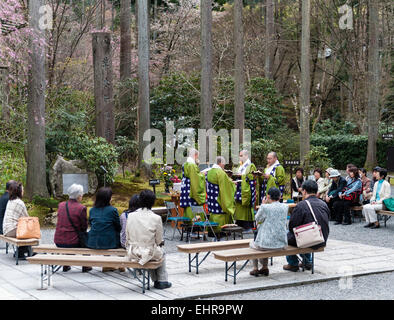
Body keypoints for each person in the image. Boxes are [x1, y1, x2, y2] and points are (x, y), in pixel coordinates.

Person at [126, 189, 172, 290]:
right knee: (158, 251)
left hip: (133, 251)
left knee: (149, 251)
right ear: (153, 202)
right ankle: (162, 280)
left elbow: (127, 236)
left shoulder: (130, 216)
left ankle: (156, 280)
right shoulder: (156, 218)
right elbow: (159, 240)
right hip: (147, 252)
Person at [283, 180, 329, 272]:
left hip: (311, 239)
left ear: (304, 191)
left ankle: (293, 263)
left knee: (286, 235)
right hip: (321, 238)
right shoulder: (323, 204)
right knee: (304, 234)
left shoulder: (301, 205)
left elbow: (292, 226)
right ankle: (307, 261)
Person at [249, 188, 287, 277]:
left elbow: (257, 218)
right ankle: (264, 267)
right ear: (280, 196)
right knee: (263, 242)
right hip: (281, 244)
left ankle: (255, 268)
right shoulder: (285, 207)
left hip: (266, 244)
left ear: (268, 196)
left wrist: (263, 204)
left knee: (253, 243)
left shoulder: (265, 207)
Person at [54, 184, 91, 273]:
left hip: (58, 240)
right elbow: (84, 227)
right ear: (78, 196)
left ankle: (66, 265)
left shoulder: (61, 205)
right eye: (82, 194)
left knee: (70, 237)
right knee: (84, 240)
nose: (82, 196)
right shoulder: (81, 208)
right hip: (72, 242)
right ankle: (86, 265)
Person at [87, 187, 122, 271]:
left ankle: (108, 265)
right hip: (109, 242)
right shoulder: (113, 210)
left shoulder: (92, 210)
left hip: (93, 241)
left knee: (104, 231)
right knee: (116, 235)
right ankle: (118, 265)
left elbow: (91, 224)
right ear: (108, 198)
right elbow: (118, 226)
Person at [206, 156, 236, 234]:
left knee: (213, 212)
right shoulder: (220, 172)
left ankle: (212, 230)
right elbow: (225, 187)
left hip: (212, 197)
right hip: (219, 198)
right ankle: (221, 231)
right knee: (220, 213)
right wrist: (232, 185)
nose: (224, 165)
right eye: (224, 163)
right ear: (220, 163)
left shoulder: (210, 171)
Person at [2, 181, 30, 259]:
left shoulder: (11, 201)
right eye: (22, 190)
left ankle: (22, 251)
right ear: (19, 191)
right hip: (11, 230)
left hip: (6, 229)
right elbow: (27, 219)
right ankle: (23, 252)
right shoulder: (19, 203)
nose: (23, 191)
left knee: (24, 229)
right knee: (29, 230)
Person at [180, 148, 206, 221]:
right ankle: (195, 225)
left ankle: (188, 224)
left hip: (185, 188)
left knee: (188, 207)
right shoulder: (192, 165)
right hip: (191, 189)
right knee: (193, 205)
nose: (197, 158)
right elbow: (195, 178)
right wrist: (202, 175)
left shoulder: (185, 164)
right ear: (195, 155)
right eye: (197, 156)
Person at [234, 150, 257, 231]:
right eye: (239, 155)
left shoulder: (251, 165)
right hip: (239, 188)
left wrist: (242, 176)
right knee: (239, 206)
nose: (240, 157)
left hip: (246, 189)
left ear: (246, 156)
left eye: (241, 155)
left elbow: (252, 177)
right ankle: (239, 223)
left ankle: (247, 225)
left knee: (245, 206)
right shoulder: (241, 165)